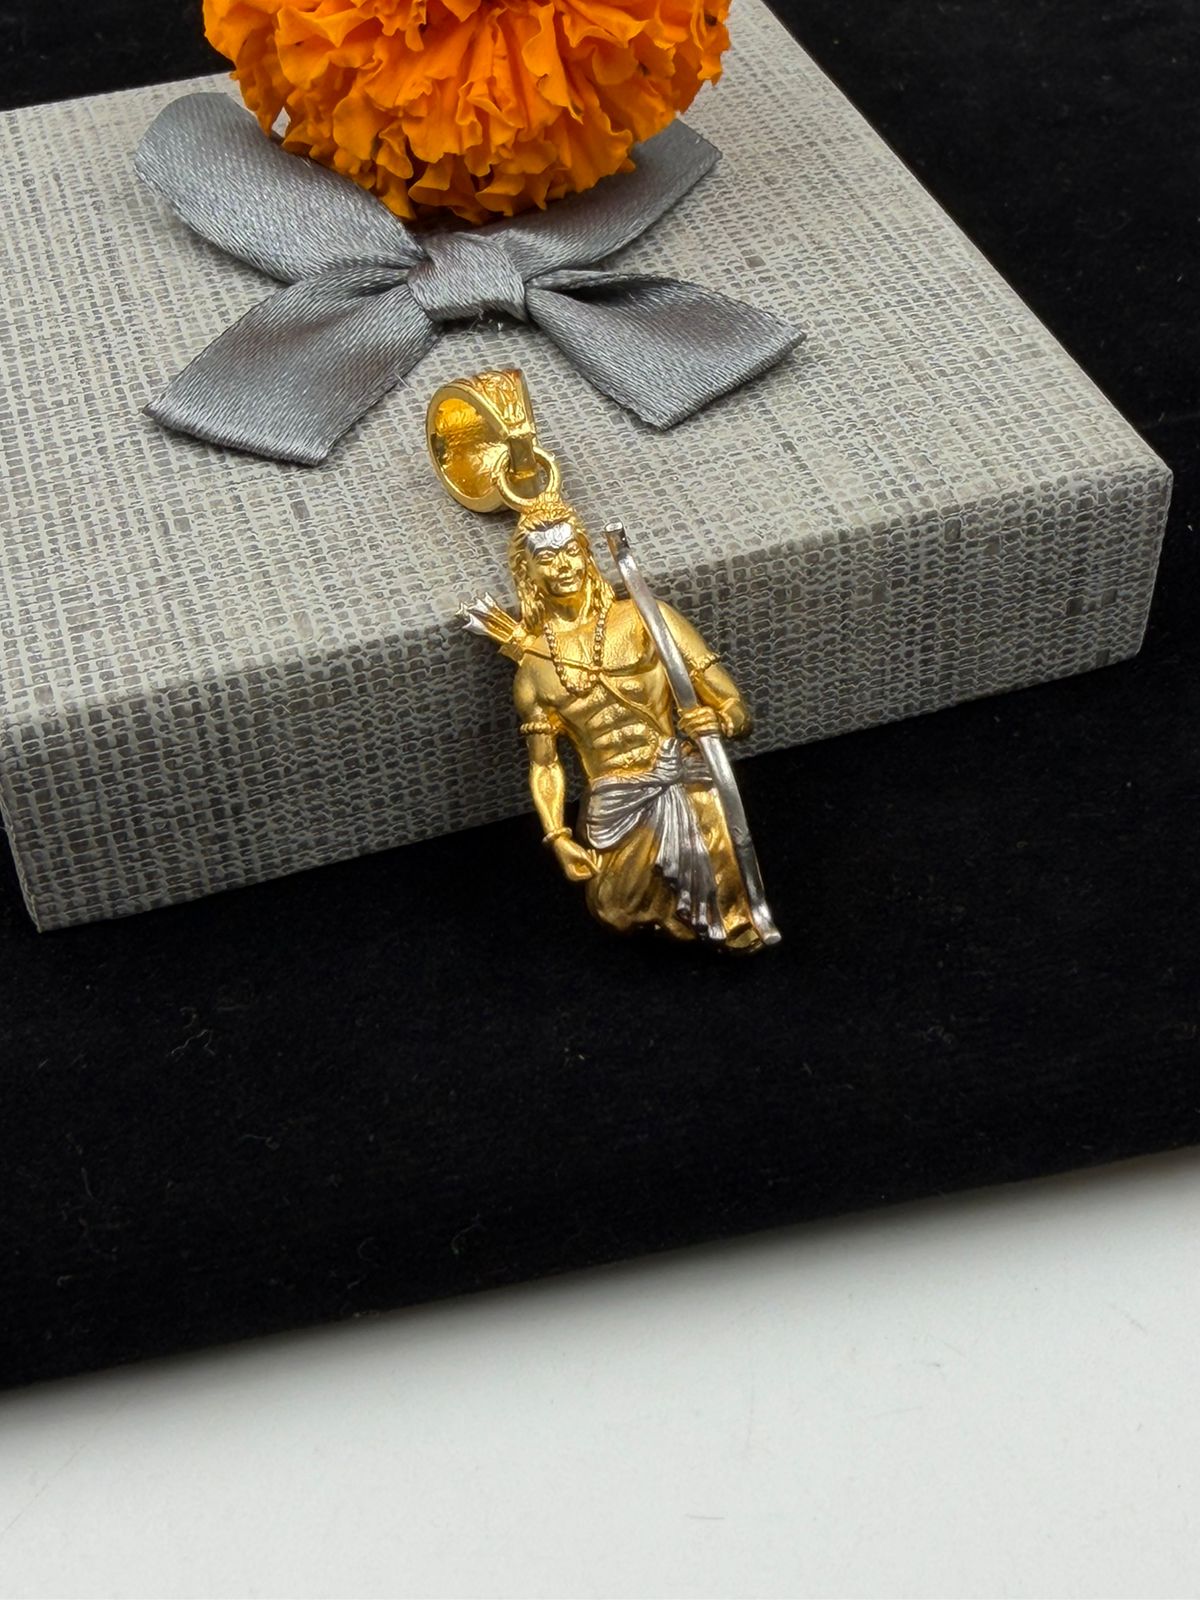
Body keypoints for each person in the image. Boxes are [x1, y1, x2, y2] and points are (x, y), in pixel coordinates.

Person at [506, 493, 764, 951]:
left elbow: (734, 705)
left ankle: (730, 918)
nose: (563, 566)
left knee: (709, 829)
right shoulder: (533, 670)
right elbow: (545, 765)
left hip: (678, 772)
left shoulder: (647, 617)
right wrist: (557, 836)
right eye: (546, 558)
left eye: (571, 551)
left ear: (588, 555)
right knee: (612, 909)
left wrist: (721, 721)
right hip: (613, 798)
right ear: (527, 573)